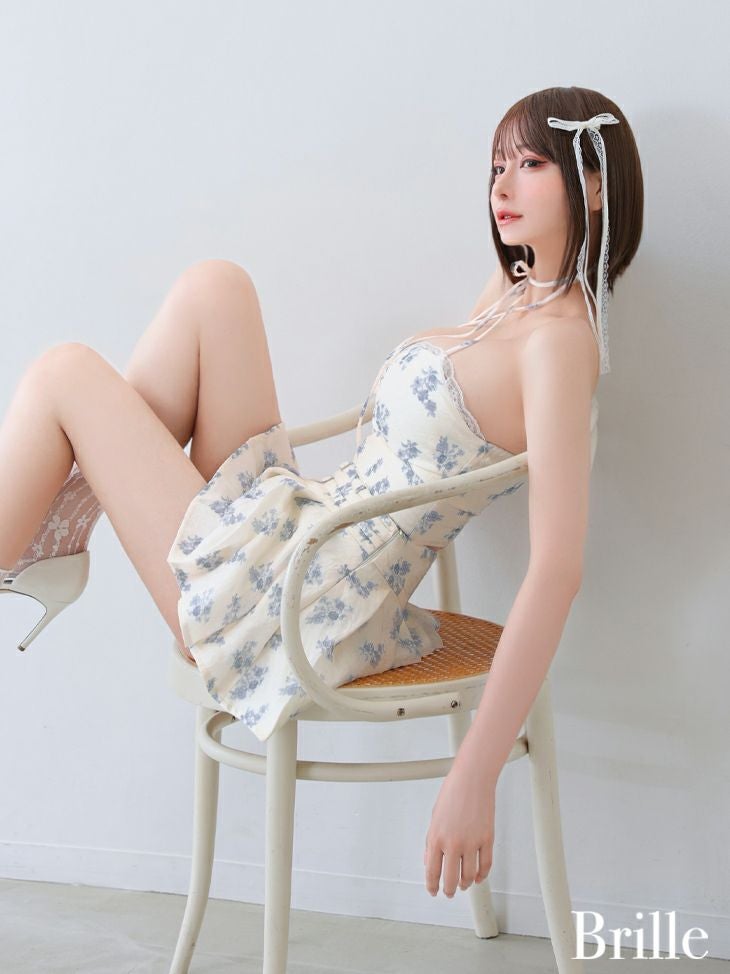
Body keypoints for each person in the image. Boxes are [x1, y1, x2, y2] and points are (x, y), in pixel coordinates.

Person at [0, 85, 643, 898]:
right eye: (495, 166)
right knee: (215, 287)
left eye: (531, 165)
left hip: (303, 600)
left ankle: (42, 532)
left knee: (64, 373)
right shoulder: (516, 297)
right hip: (301, 520)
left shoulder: (559, 346)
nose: (501, 187)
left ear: (593, 183)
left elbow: (557, 570)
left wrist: (475, 776)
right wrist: (537, 233)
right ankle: (55, 526)